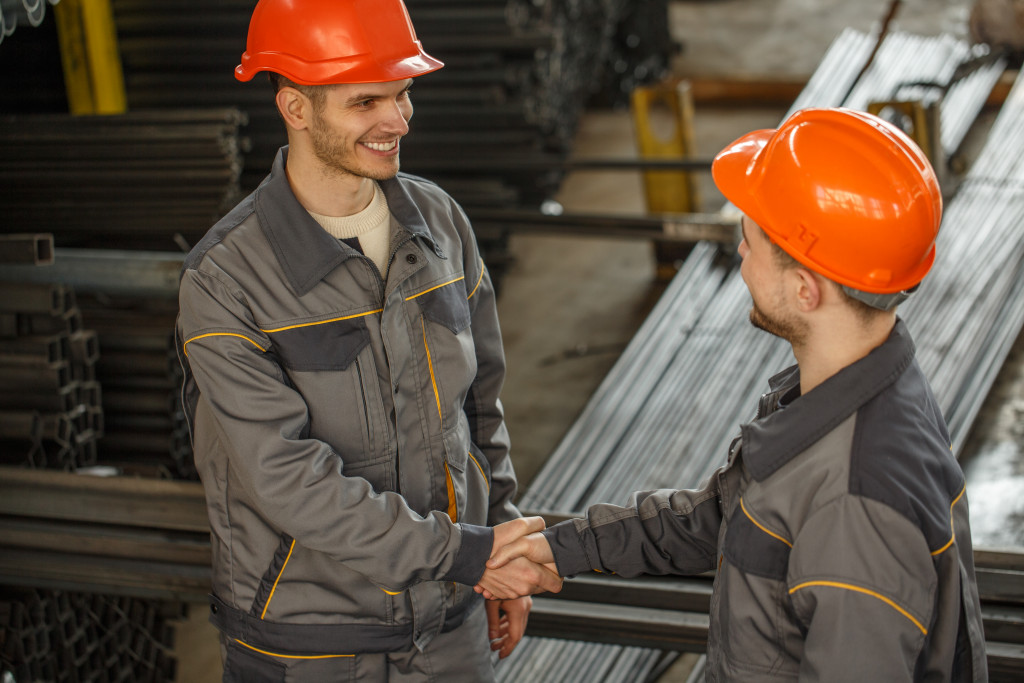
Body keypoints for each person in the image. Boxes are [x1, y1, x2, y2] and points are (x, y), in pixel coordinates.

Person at [478, 107, 989, 682]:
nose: (739, 256)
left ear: (805, 290)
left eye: (749, 241)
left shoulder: (854, 507)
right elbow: (730, 516)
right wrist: (561, 547)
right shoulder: (847, 392)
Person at [174, 0, 559, 680]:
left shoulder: (440, 223)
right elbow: (287, 477)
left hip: (449, 623)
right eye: (366, 103)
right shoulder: (226, 279)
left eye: (403, 94)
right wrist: (474, 552)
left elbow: (479, 409)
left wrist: (500, 541)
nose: (397, 120)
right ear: (295, 107)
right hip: (309, 645)